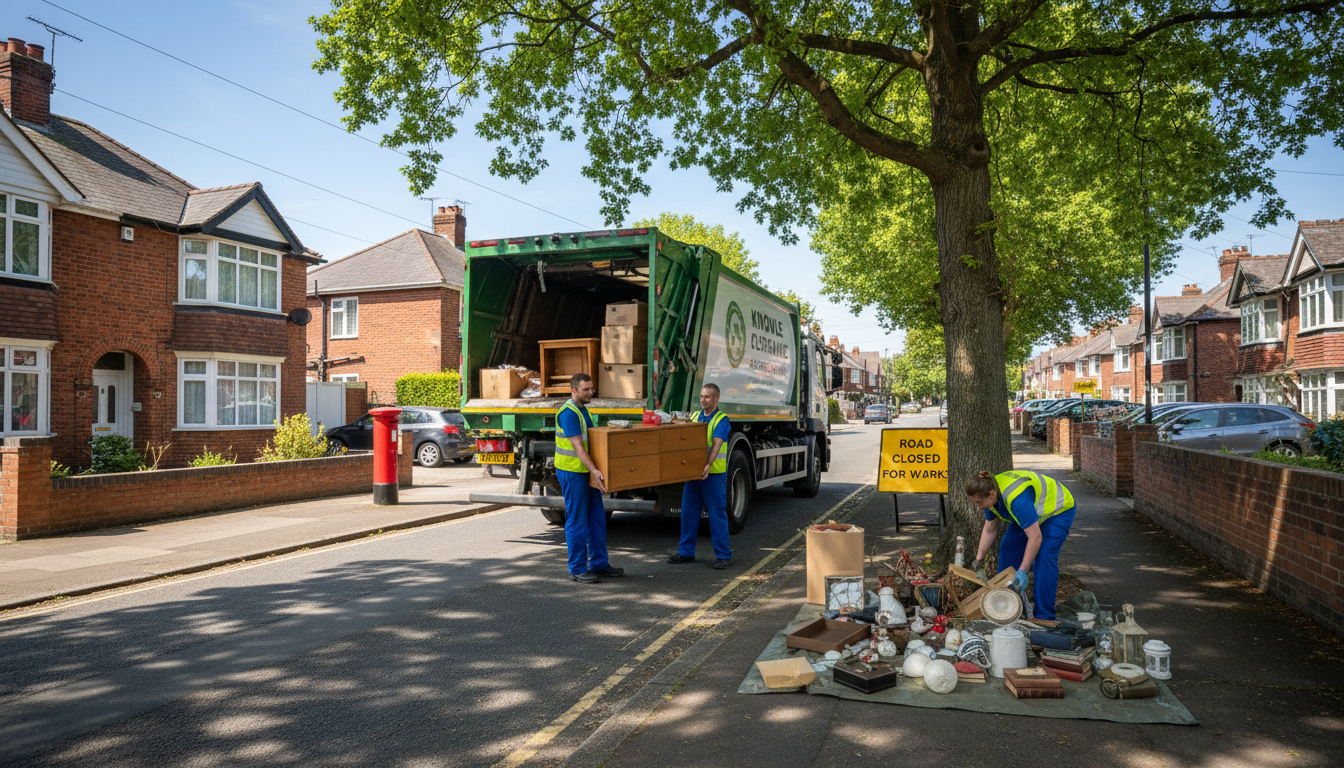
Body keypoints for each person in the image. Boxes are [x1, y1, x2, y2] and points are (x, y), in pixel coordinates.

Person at [965, 469, 1076, 620]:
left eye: (979, 502)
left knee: (1043, 558)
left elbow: (1035, 537)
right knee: (1008, 546)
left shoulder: (1016, 499)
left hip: (1057, 510)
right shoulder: (988, 493)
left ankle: (1044, 616)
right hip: (1032, 512)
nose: (978, 506)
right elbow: (990, 528)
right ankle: (1003, 606)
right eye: (975, 503)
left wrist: (1023, 570)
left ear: (991, 494)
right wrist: (979, 559)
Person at [555, 373, 624, 583]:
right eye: (586, 389)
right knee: (577, 521)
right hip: (573, 472)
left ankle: (599, 564)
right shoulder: (568, 413)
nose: (591, 392)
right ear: (573, 390)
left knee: (596, 518)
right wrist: (595, 471)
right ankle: (576, 568)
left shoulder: (584, 410)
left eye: (592, 389)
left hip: (585, 471)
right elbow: (578, 448)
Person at [667, 383, 733, 570]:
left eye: (708, 397)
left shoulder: (722, 419)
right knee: (688, 513)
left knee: (716, 514)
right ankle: (686, 552)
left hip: (712, 474)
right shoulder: (695, 416)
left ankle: (723, 556)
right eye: (702, 396)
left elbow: (717, 444)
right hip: (694, 474)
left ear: (717, 398)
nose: (703, 400)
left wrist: (708, 465)